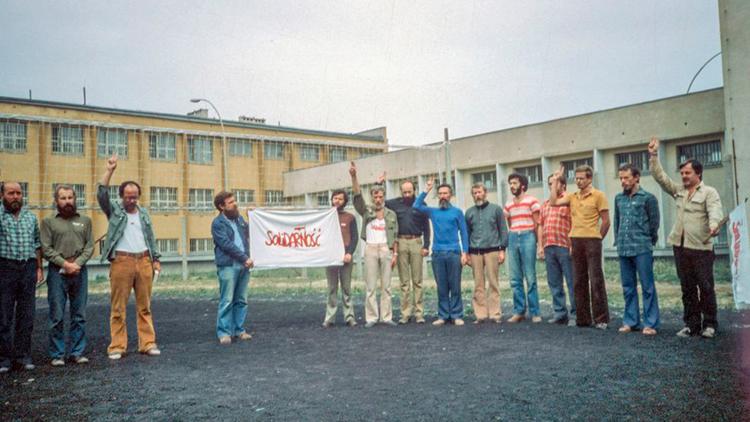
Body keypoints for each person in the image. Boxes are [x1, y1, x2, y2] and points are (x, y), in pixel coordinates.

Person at [648, 137, 723, 338]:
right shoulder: (679, 191)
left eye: (687, 173)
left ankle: (710, 325)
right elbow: (660, 177)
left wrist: (714, 224)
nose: (684, 176)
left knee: (706, 287)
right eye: (681, 173)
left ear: (698, 173)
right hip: (680, 247)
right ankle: (692, 325)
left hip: (701, 247)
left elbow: (715, 210)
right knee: (687, 287)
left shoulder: (709, 192)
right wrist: (654, 155)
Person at [97, 154, 162, 359]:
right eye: (128, 196)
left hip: (144, 261)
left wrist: (156, 259)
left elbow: (150, 237)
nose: (131, 200)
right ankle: (117, 346)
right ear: (121, 196)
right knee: (118, 307)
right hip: (121, 261)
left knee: (145, 307)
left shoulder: (143, 214)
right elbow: (101, 194)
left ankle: (148, 343)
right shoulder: (114, 211)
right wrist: (110, 170)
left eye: (135, 196)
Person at [549, 164, 611, 330]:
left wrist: (598, 238)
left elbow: (606, 221)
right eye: (576, 178)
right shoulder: (573, 196)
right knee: (578, 281)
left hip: (592, 240)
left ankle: (601, 319)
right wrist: (556, 180)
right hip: (575, 240)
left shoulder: (599, 195)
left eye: (582, 178)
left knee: (596, 280)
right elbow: (554, 202)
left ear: (589, 178)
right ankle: (583, 319)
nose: (578, 181)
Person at [40, 184, 94, 366]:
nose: (67, 201)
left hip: (79, 271)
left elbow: (90, 247)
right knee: (57, 315)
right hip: (57, 272)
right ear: (56, 201)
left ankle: (77, 352)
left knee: (79, 314)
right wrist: (64, 264)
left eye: (70, 197)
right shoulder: (48, 222)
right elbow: (46, 249)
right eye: (62, 198)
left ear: (75, 199)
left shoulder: (85, 221)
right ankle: (57, 354)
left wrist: (76, 264)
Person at [0, 181, 43, 373]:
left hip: (27, 268)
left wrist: (39, 267)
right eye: (11, 193)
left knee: (26, 316)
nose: (16, 197)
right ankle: (3, 359)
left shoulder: (30, 217)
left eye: (18, 193)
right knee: (3, 316)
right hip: (5, 268)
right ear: (3, 196)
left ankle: (22, 357)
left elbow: (36, 243)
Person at [376, 174, 431, 324]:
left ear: (414, 190)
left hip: (416, 242)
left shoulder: (421, 204)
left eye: (410, 192)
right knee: (404, 282)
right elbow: (379, 201)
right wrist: (379, 184)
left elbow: (426, 227)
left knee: (418, 281)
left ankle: (419, 314)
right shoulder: (394, 204)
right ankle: (405, 314)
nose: (407, 195)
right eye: (404, 192)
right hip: (400, 242)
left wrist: (426, 246)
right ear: (401, 192)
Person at [414, 179, 470, 326]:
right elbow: (416, 205)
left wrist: (465, 253)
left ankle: (457, 315)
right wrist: (426, 189)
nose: (443, 196)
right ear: (438, 196)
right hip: (437, 253)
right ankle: (443, 315)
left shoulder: (457, 212)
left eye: (445, 193)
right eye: (440, 194)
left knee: (455, 286)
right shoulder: (433, 211)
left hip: (454, 253)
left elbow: (464, 233)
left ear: (451, 195)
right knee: (442, 286)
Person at [350, 162, 399, 328]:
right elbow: (357, 197)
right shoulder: (366, 211)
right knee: (370, 286)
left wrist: (395, 254)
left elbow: (396, 236)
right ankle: (371, 317)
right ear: (372, 197)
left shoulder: (391, 214)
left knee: (387, 286)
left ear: (384, 197)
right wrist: (354, 176)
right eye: (375, 197)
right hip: (370, 248)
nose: (378, 199)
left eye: (380, 197)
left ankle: (386, 317)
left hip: (386, 249)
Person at [613, 163, 661, 336]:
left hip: (642, 248)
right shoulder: (619, 198)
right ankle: (631, 321)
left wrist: (648, 241)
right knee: (628, 286)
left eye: (626, 178)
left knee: (647, 287)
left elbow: (654, 224)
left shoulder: (648, 198)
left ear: (636, 178)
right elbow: (617, 222)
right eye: (621, 178)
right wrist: (618, 242)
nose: (623, 182)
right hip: (624, 249)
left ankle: (651, 323)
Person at [211, 191, 254, 344]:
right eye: (230, 202)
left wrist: (254, 218)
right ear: (222, 207)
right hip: (228, 266)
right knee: (227, 299)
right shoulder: (218, 224)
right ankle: (224, 332)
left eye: (234, 201)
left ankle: (239, 330)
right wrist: (245, 258)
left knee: (241, 299)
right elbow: (226, 245)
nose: (234, 204)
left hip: (244, 265)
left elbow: (252, 232)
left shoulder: (240, 220)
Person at [465, 183, 508, 323]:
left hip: (492, 250)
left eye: (479, 192)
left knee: (493, 283)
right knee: (478, 284)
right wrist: (466, 253)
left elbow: (503, 230)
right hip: (475, 252)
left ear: (485, 193)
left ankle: (495, 314)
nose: (477, 195)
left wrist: (502, 250)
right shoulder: (469, 212)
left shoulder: (496, 209)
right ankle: (480, 315)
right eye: (474, 193)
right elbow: (467, 233)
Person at [503, 173, 543, 323]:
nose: (512, 186)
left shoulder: (532, 201)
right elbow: (509, 222)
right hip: (513, 237)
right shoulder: (508, 204)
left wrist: (539, 244)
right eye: (510, 184)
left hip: (528, 237)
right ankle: (519, 311)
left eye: (514, 183)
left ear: (522, 185)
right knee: (515, 277)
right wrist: (513, 233)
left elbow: (537, 224)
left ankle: (535, 312)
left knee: (530, 277)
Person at [539, 173, 576, 326]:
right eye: (550, 183)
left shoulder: (570, 201)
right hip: (549, 246)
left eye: (555, 183)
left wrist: (573, 244)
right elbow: (540, 225)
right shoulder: (546, 204)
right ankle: (560, 313)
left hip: (565, 246)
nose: (552, 186)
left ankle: (576, 314)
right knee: (554, 282)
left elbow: (575, 223)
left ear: (563, 185)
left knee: (572, 281)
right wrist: (540, 246)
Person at [322, 189, 359, 327]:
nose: (337, 201)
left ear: (345, 202)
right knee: (331, 288)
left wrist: (349, 253)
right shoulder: (325, 217)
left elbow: (354, 237)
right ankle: (329, 317)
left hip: (345, 257)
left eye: (340, 199)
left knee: (346, 288)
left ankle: (349, 316)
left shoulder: (350, 217)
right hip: (330, 257)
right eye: (335, 198)